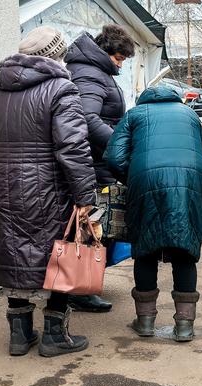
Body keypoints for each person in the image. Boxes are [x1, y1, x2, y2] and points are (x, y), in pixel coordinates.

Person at [0, 26, 96, 356]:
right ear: (57, 55)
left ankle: (19, 336)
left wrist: (7, 167)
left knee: (13, 254)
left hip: (3, 187)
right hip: (49, 189)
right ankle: (55, 336)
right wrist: (85, 196)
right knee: (60, 254)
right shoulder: (61, 89)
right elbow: (73, 147)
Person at [104, 86, 202, 342]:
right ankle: (184, 326)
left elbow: (114, 158)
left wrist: (135, 176)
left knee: (145, 248)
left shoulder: (134, 115)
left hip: (145, 180)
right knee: (185, 248)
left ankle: (145, 322)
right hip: (190, 181)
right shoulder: (190, 114)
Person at [64, 24, 136, 313]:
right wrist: (120, 145)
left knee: (95, 225)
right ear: (105, 52)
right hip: (94, 164)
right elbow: (87, 119)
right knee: (93, 226)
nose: (120, 65)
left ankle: (84, 285)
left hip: (97, 162)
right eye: (119, 58)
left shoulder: (93, 71)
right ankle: (80, 290)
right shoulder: (90, 73)